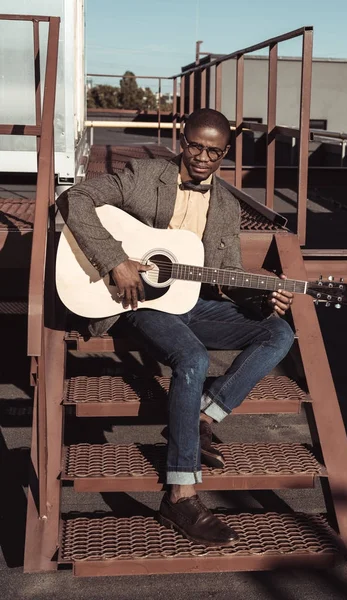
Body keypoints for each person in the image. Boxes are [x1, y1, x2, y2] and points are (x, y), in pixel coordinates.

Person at [57, 108, 294, 548]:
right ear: (183, 140)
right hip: (140, 302)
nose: (202, 158)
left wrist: (265, 294)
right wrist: (115, 260)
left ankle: (204, 415)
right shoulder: (145, 175)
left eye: (214, 152)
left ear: (225, 153)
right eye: (195, 146)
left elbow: (226, 278)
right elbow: (73, 199)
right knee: (192, 358)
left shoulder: (224, 204)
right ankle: (181, 494)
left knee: (277, 332)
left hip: (190, 304)